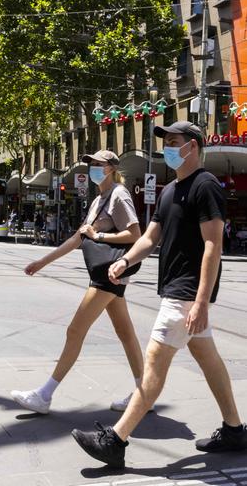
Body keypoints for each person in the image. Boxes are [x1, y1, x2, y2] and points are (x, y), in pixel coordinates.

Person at [72, 121, 247, 469]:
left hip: (185, 291)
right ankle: (234, 429)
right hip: (176, 288)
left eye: (174, 141)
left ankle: (115, 440)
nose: (168, 147)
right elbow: (150, 238)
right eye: (166, 142)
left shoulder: (206, 185)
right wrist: (124, 261)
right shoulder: (170, 191)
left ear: (193, 146)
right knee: (207, 358)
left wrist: (201, 301)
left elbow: (213, 245)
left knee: (153, 364)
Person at [11, 150, 144, 414]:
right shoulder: (98, 200)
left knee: (75, 330)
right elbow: (78, 239)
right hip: (106, 274)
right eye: (91, 164)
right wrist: (42, 262)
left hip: (109, 275)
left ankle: (44, 395)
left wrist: (100, 236)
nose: (93, 168)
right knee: (126, 334)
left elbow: (135, 234)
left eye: (98, 164)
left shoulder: (119, 194)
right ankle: (145, 393)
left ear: (111, 168)